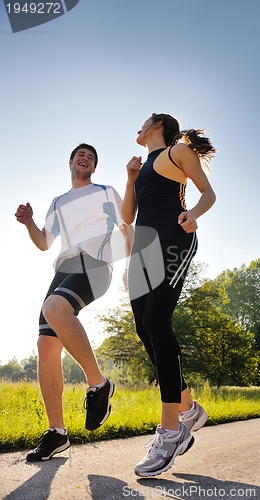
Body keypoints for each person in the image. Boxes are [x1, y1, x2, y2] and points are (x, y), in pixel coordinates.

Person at [15, 143, 132, 462]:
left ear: (94, 168)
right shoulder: (58, 202)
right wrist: (29, 224)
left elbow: (126, 225)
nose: (85, 159)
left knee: (54, 308)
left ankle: (99, 383)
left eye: (91, 158)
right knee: (45, 344)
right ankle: (57, 434)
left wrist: (129, 266)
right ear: (70, 162)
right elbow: (44, 243)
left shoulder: (106, 191)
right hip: (64, 267)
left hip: (95, 263)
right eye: (81, 155)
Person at [122, 113, 216, 476]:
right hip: (143, 249)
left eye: (144, 121)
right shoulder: (143, 166)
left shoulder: (177, 151)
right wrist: (130, 178)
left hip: (174, 239)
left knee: (156, 321)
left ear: (158, 124)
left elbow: (208, 192)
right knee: (144, 329)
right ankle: (189, 408)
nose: (138, 126)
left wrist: (193, 214)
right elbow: (129, 216)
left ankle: (172, 430)